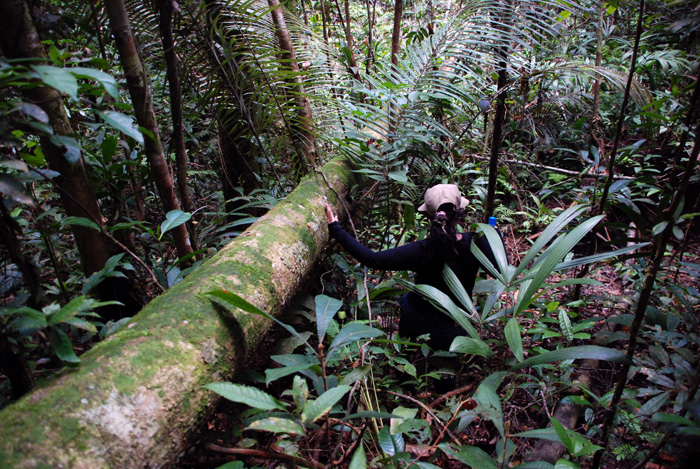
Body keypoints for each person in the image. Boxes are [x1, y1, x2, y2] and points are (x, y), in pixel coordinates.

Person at [325, 184, 501, 352]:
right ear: (458, 214)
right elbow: (501, 268)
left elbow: (373, 259)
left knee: (408, 300)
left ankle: (407, 363)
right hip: (455, 324)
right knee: (447, 369)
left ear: (429, 218)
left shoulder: (421, 250)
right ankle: (447, 377)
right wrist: (495, 236)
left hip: (418, 319)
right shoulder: (476, 244)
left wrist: (336, 228)